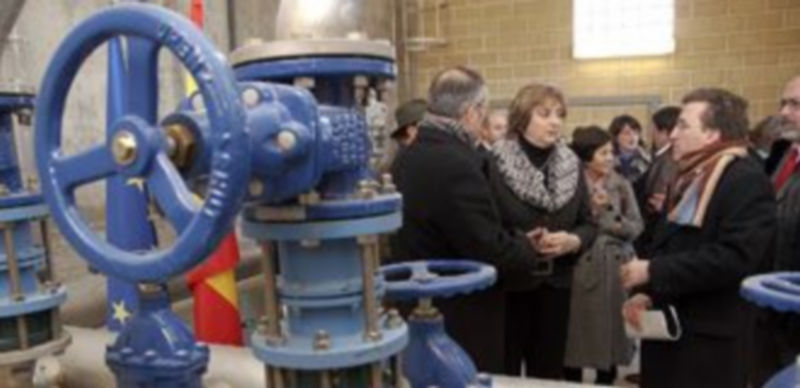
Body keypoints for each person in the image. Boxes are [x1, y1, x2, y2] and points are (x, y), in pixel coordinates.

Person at [390, 66, 543, 372]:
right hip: (460, 320)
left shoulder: (406, 157)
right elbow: (486, 247)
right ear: (472, 111)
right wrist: (527, 246)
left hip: (417, 309)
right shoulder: (456, 164)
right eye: (483, 112)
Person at [620, 88, 776, 388]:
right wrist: (647, 291)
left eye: (683, 125)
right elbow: (670, 244)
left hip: (708, 343)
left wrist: (652, 271)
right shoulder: (691, 176)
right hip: (672, 331)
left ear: (713, 134)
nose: (673, 135)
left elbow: (735, 258)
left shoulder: (745, 179)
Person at [489, 83, 596, 378]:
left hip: (557, 285)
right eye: (544, 113)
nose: (555, 121)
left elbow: (589, 223)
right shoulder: (494, 162)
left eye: (559, 114)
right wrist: (522, 243)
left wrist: (574, 240)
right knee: (505, 370)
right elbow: (486, 227)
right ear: (522, 117)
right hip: (511, 284)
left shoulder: (571, 163)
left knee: (549, 372)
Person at [564, 126, 642, 385]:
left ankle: (606, 380)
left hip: (614, 271)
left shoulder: (621, 185)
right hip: (579, 267)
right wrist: (592, 214)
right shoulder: (568, 185)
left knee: (610, 339)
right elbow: (564, 225)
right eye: (603, 152)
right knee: (575, 339)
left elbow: (636, 227)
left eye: (611, 152)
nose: (610, 158)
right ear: (587, 156)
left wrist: (609, 212)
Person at [751, 75, 800, 386]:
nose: (784, 112)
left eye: (795, 105)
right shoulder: (783, 153)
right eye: (783, 103)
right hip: (769, 300)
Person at [633, 106, 680, 257]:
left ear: (664, 133)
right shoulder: (661, 157)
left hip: (654, 231)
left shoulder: (668, 159)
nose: (650, 134)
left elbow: (656, 198)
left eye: (653, 129)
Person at [610, 114, 651, 183]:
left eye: (636, 133)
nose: (632, 137)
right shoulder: (609, 159)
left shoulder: (647, 159)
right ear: (616, 136)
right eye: (627, 133)